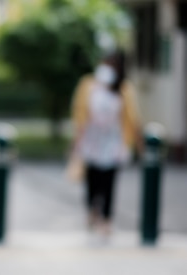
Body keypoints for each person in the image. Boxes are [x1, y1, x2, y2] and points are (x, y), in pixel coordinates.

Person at [71, 50, 142, 238]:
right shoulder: (88, 85)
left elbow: (132, 118)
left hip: (113, 142)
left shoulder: (124, 89)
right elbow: (79, 113)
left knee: (109, 181)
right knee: (92, 180)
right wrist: (76, 140)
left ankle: (106, 218)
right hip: (91, 140)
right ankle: (92, 212)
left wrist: (138, 144)